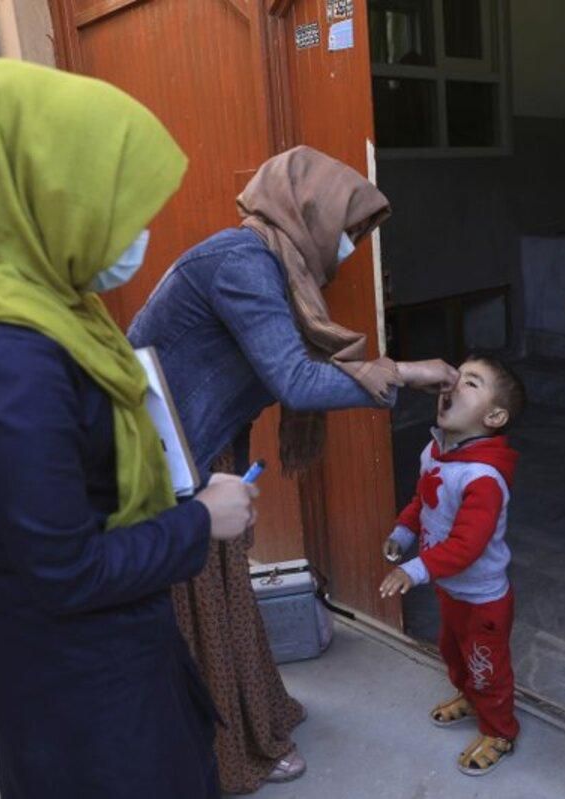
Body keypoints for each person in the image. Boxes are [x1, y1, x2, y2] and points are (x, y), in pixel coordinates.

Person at [0, 60, 258, 798]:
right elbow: (67, 570)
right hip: (85, 695)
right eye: (117, 205)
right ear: (37, 194)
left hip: (85, 665)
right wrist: (198, 522)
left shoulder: (33, 312)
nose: (140, 232)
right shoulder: (7, 362)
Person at [127, 145, 458, 792]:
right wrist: (407, 371)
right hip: (168, 460)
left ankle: (256, 717)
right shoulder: (241, 262)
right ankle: (227, 746)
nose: (350, 246)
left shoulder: (273, 266)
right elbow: (297, 381)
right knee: (201, 605)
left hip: (202, 444)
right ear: (306, 211)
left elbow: (256, 379)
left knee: (224, 594)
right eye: (349, 228)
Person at [379, 355, 525, 776]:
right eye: (455, 377)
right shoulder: (435, 452)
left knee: (486, 665)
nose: (452, 385)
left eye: (471, 383)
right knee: (453, 651)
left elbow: (467, 546)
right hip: (451, 589)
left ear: (495, 416)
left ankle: (500, 731)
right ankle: (468, 695)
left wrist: (415, 569)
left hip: (482, 598)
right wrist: (403, 534)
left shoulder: (483, 477)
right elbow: (421, 501)